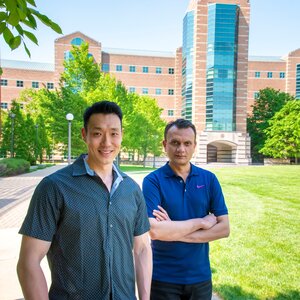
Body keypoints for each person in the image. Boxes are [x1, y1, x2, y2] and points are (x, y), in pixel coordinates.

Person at [17, 101, 152, 300]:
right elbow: (29, 262)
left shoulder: (131, 189)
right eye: (97, 133)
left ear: (121, 135)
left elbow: (141, 249)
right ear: (84, 135)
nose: (107, 143)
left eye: (114, 133)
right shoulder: (54, 187)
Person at [142, 118, 230, 300]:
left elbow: (224, 229)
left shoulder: (209, 179)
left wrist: (173, 230)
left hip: (200, 278)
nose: (181, 149)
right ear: (165, 145)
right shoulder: (153, 181)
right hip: (163, 278)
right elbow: (155, 231)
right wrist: (201, 222)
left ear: (194, 146)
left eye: (187, 143)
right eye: (175, 143)